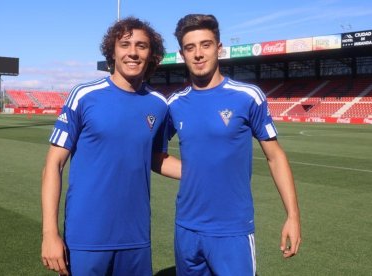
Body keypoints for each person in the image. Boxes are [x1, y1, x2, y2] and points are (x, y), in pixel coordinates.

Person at [41, 17, 180, 276]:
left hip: (136, 239)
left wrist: (203, 172)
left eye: (141, 46)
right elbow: (54, 164)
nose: (133, 52)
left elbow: (155, 158)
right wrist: (50, 233)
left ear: (151, 54)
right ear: (112, 51)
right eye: (125, 44)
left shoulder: (159, 105)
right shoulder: (84, 95)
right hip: (86, 238)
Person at [167, 14, 301, 275]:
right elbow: (153, 155)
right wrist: (193, 172)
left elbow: (275, 157)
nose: (198, 54)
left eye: (205, 45)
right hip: (186, 228)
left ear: (219, 48)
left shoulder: (247, 96)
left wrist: (293, 216)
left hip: (232, 231)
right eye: (190, 47)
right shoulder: (174, 104)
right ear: (182, 54)